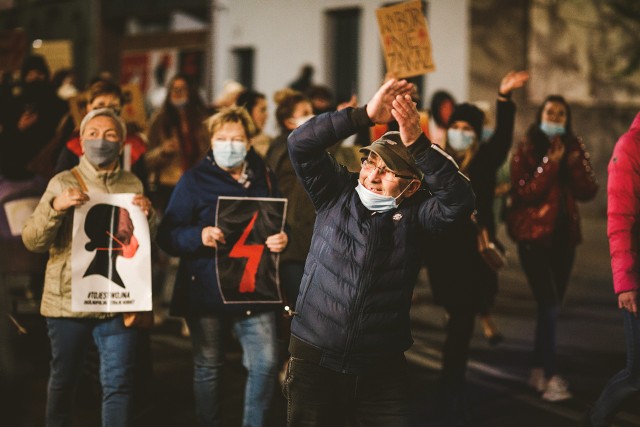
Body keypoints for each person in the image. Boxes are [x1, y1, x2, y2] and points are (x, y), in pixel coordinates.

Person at [282, 79, 475, 426]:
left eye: (387, 171)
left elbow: (460, 201)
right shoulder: (335, 191)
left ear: (413, 185)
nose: (373, 175)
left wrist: (419, 144)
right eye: (370, 162)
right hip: (315, 361)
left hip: (381, 369)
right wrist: (363, 115)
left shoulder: (418, 215)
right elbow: (300, 144)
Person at [21, 108, 155, 427]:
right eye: (93, 134)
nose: (100, 141)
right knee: (64, 382)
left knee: (119, 385)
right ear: (80, 142)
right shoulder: (62, 181)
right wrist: (56, 207)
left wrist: (149, 215)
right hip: (66, 304)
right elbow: (33, 241)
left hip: (117, 303)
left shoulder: (132, 182)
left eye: (109, 135)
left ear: (121, 142)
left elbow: (142, 246)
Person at [157, 106, 288, 427]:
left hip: (253, 286)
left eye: (237, 138)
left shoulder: (264, 176)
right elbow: (167, 234)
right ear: (211, 141)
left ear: (248, 142)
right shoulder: (194, 180)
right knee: (208, 364)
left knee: (266, 362)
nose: (229, 144)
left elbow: (276, 221)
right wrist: (198, 235)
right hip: (206, 286)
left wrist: (282, 238)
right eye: (222, 138)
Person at [422, 70, 528, 423]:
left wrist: (503, 97)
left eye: (469, 129)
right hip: (442, 257)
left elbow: (502, 139)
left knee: (461, 325)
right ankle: (448, 389)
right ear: (449, 129)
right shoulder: (435, 160)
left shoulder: (483, 162)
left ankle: (450, 390)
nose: (462, 133)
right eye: (458, 127)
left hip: (472, 258)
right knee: (457, 323)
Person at [506, 94, 598, 402]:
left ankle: (536, 371)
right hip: (533, 239)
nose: (555, 118)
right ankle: (549, 374)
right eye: (550, 112)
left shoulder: (574, 147)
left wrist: (571, 163)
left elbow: (589, 190)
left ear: (567, 119)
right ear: (540, 115)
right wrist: (550, 164)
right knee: (549, 305)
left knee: (551, 306)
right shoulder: (527, 148)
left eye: (560, 114)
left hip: (564, 239)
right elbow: (524, 191)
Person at [583, 113, 640, 426]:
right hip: (637, 277)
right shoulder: (630, 146)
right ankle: (594, 418)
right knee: (638, 375)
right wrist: (627, 282)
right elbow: (620, 218)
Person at [145, 74, 209, 213]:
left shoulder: (202, 119)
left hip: (198, 183)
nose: (177, 93)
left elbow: (208, 151)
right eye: (174, 89)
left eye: (182, 89)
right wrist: (163, 150)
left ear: (191, 92)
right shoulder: (159, 119)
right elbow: (147, 158)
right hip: (168, 186)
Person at [235, 89, 271, 157]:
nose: (267, 115)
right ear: (247, 111)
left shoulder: (271, 143)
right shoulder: (233, 143)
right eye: (262, 110)